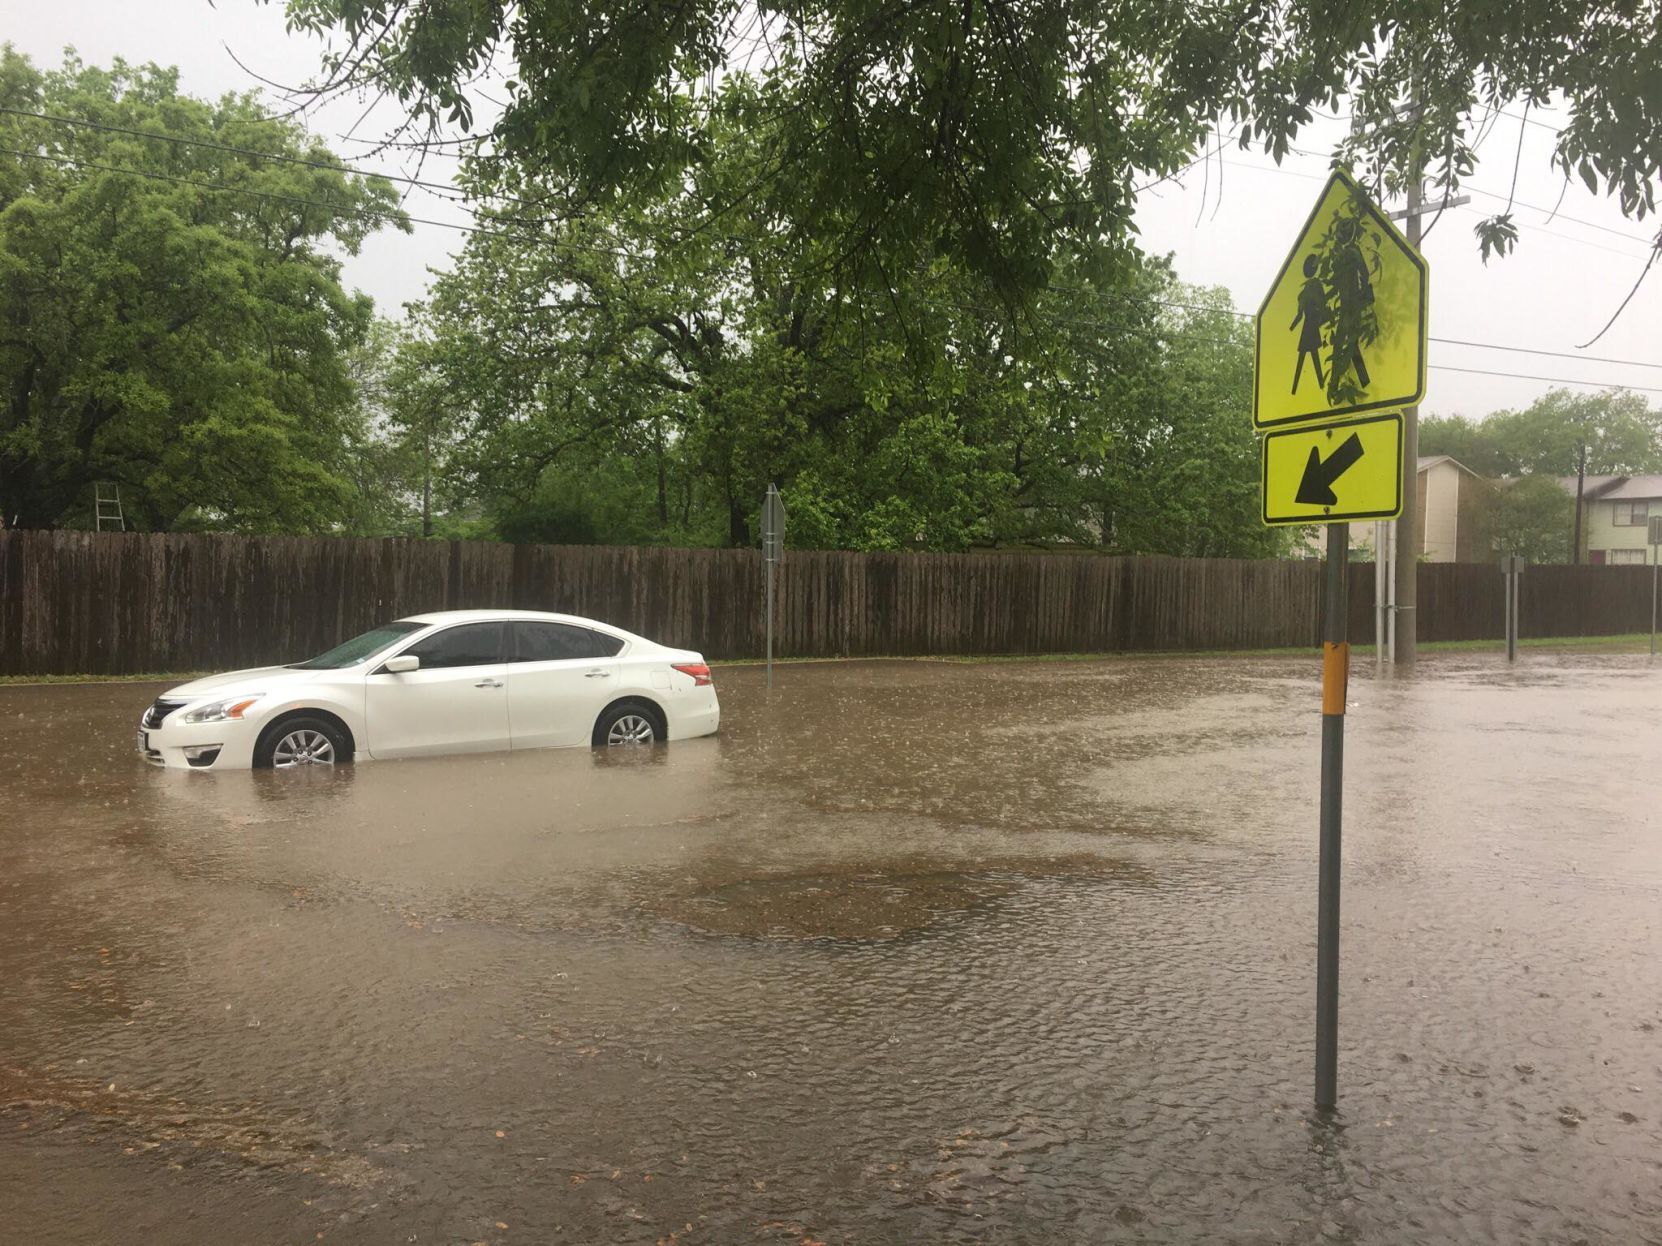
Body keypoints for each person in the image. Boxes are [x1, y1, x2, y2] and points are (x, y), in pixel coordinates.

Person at [1289, 254, 1327, 394]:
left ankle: (1320, 386)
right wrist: (1290, 328)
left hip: (1310, 326)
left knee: (1311, 357)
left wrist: (1323, 319)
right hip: (1309, 326)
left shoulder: (1313, 288)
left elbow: (1321, 306)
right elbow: (1300, 314)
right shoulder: (1308, 290)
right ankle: (1295, 389)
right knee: (1306, 357)